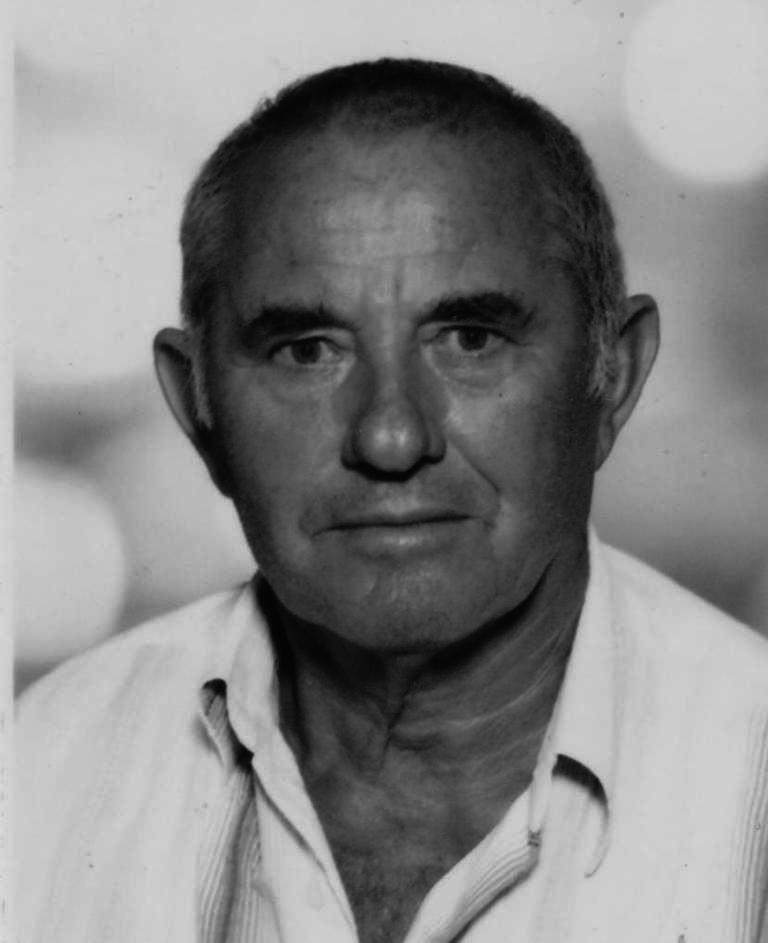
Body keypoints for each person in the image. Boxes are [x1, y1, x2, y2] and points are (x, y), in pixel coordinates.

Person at [17, 58, 768, 943]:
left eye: (471, 339)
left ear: (615, 377)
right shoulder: (42, 771)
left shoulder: (748, 772)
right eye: (307, 350)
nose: (391, 436)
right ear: (197, 405)